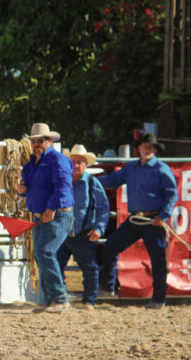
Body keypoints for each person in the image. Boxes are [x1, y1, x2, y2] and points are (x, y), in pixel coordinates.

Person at [97, 133, 178, 309]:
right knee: (111, 246)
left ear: (155, 150)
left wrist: (163, 215)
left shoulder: (161, 169)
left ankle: (158, 299)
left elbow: (172, 194)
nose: (147, 149)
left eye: (151, 146)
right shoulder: (131, 167)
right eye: (145, 146)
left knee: (158, 260)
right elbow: (113, 180)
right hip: (135, 219)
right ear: (139, 148)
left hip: (152, 219)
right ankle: (107, 287)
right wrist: (92, 181)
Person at [17, 123, 74, 313]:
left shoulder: (58, 161)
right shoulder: (32, 165)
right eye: (33, 141)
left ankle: (59, 298)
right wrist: (22, 191)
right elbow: (30, 188)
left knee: (44, 253)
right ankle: (52, 299)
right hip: (43, 215)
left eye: (39, 140)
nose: (35, 144)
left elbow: (63, 188)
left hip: (57, 214)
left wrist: (50, 208)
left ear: (49, 141)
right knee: (42, 255)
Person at [57, 144, 109, 310]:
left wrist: (99, 228)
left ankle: (89, 301)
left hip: (83, 233)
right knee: (55, 266)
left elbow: (103, 207)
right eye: (74, 161)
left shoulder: (92, 183)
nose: (77, 165)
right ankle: (61, 298)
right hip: (61, 232)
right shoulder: (60, 181)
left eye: (80, 162)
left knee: (90, 268)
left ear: (86, 165)